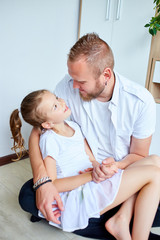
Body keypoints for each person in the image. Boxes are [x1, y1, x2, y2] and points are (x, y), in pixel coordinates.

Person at [18, 33, 160, 239]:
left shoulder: (140, 101)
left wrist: (111, 168)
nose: (74, 86)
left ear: (106, 75)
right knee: (28, 195)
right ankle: (126, 221)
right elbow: (39, 129)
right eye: (72, 78)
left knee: (154, 166)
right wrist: (43, 182)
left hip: (118, 171)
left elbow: (139, 156)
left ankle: (120, 218)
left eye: (81, 81)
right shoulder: (67, 87)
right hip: (83, 176)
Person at [10, 89, 160, 240]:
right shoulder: (50, 140)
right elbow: (54, 185)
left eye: (57, 98)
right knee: (154, 173)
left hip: (93, 179)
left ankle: (122, 218)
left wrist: (99, 168)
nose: (61, 102)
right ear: (47, 124)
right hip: (78, 192)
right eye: (54, 106)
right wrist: (91, 176)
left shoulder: (74, 126)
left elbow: (91, 159)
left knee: (155, 160)